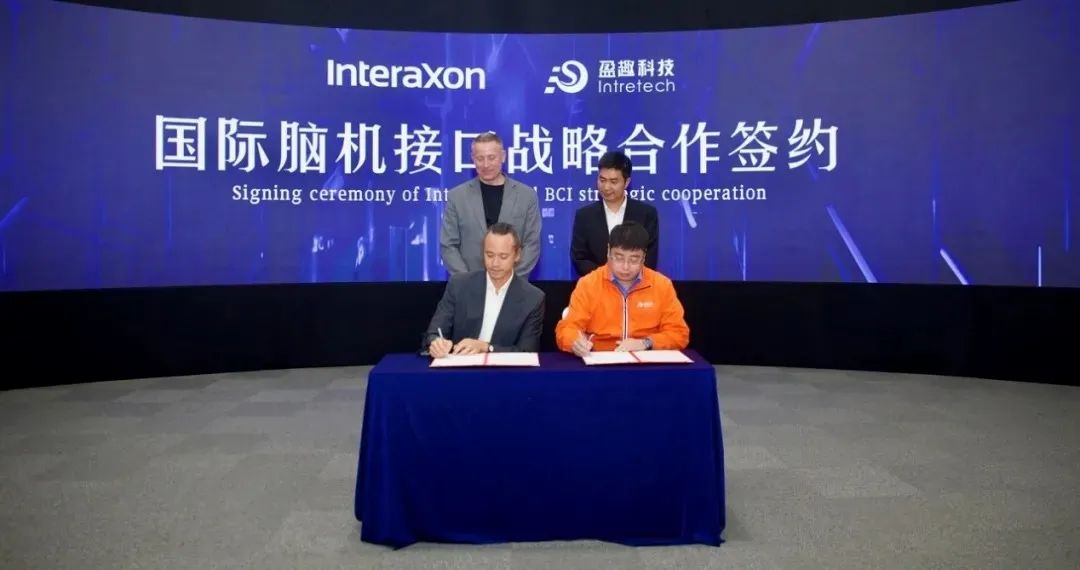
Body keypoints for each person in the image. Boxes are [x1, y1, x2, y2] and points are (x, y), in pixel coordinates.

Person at [556, 220, 688, 356]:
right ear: (608, 252)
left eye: (634, 259)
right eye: (619, 258)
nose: (626, 267)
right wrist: (574, 341)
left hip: (646, 360)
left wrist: (646, 343)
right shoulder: (588, 284)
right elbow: (567, 329)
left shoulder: (662, 285)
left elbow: (679, 334)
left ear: (644, 257)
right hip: (600, 358)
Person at [424, 222, 545, 356]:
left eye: (503, 257)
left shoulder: (533, 298)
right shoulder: (459, 285)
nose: (495, 263)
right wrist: (436, 343)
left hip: (505, 369)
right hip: (460, 366)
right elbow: (433, 334)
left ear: (517, 255)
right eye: (490, 255)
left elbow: (527, 352)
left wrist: (487, 347)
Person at [440, 132, 541, 278]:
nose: (486, 164)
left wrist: (509, 282)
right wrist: (468, 281)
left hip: (513, 286)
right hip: (469, 285)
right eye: (480, 158)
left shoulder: (526, 196)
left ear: (503, 156)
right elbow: (448, 245)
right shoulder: (457, 197)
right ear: (473, 159)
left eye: (491, 157)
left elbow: (531, 244)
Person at [570, 150, 659, 277]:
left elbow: (649, 257)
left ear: (626, 182)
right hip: (597, 285)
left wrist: (625, 278)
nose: (606, 187)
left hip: (636, 286)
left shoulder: (646, 214)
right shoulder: (584, 216)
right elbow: (579, 258)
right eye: (602, 180)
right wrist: (607, 277)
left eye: (613, 182)